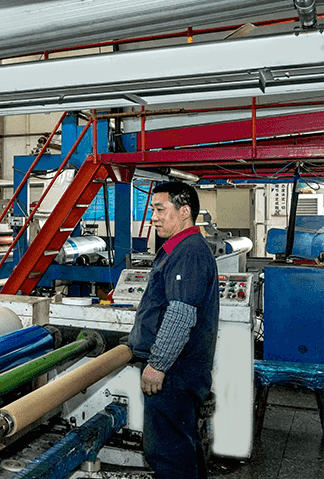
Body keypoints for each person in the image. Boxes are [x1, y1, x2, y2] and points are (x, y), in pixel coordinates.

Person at [128, 181, 219, 479]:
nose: (154, 217)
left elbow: (180, 315)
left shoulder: (188, 252)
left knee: (168, 455)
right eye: (153, 210)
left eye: (160, 209)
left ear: (184, 212)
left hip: (174, 374)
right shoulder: (180, 248)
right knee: (183, 446)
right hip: (180, 371)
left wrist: (157, 364)